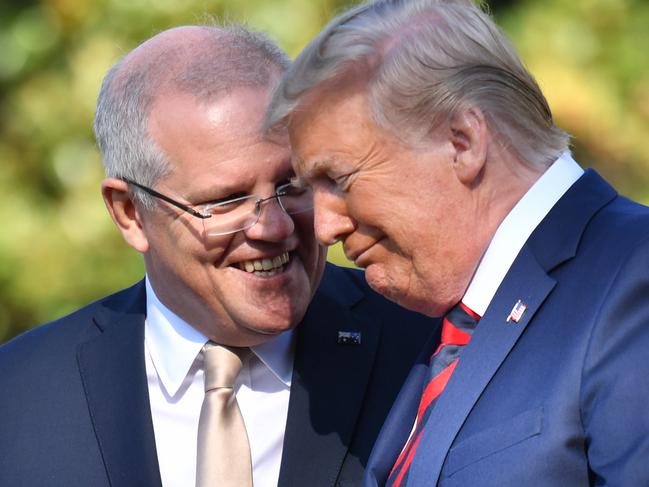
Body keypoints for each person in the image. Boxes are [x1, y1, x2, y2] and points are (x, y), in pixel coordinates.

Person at [0, 25, 434, 487]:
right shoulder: (19, 394)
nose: (276, 227)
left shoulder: (425, 349)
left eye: (294, 184)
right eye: (227, 200)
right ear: (130, 213)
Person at [264, 0, 649, 485]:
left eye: (338, 179)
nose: (324, 228)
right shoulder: (446, 323)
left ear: (463, 141)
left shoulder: (632, 277)